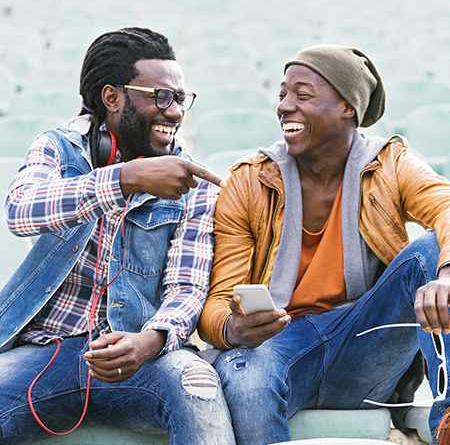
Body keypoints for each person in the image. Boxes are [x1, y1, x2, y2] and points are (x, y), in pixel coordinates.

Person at [197, 44, 450, 445]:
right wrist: (232, 328)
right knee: (245, 376)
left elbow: (446, 206)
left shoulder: (389, 164)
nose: (283, 106)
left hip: (364, 339)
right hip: (277, 345)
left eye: (302, 95)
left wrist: (447, 273)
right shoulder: (248, 182)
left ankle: (447, 419)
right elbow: (216, 303)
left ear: (347, 106)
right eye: (282, 94)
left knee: (431, 253)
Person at [0, 27, 235, 445]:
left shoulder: (193, 184)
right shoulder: (59, 148)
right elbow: (20, 210)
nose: (176, 112)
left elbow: (187, 286)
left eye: (180, 98)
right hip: (44, 352)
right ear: (113, 98)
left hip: (142, 357)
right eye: (160, 97)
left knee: (198, 385)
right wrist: (122, 179)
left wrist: (152, 340)